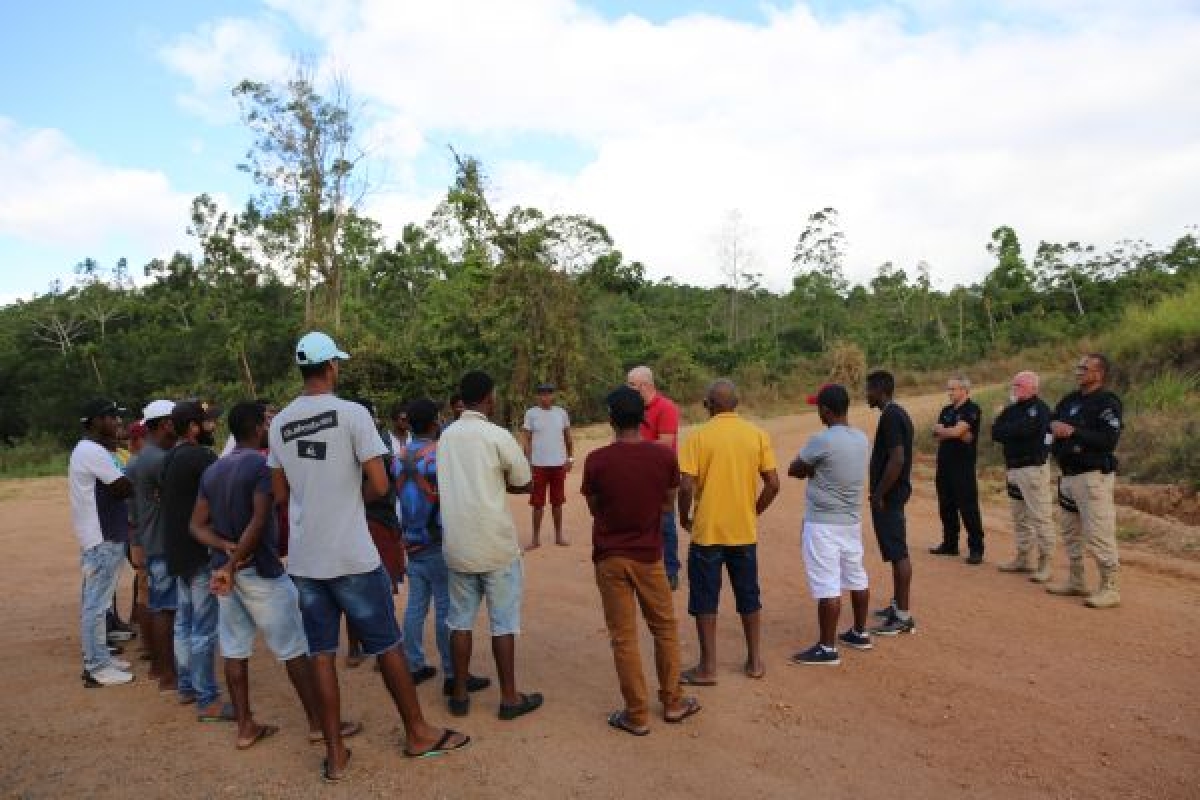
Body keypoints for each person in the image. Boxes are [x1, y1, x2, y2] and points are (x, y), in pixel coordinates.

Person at [269, 332, 468, 783]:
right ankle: (417, 733)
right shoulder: (352, 414)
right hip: (352, 555)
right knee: (387, 644)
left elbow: (280, 493)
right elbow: (379, 485)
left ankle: (336, 754)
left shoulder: (279, 422)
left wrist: (316, 497)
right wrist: (344, 497)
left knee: (321, 652)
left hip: (305, 560)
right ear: (332, 367)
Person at [190, 402, 354, 751]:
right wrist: (234, 561)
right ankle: (318, 725)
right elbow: (260, 519)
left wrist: (224, 554)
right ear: (257, 428)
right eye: (267, 421)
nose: (271, 425)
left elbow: (196, 525)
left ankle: (246, 726)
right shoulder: (262, 465)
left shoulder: (215, 470)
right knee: (296, 649)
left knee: (234, 650)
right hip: (257, 572)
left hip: (226, 575)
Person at [583, 386, 700, 734]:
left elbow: (594, 507)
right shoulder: (663, 457)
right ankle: (673, 702)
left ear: (611, 420)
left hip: (610, 556)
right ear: (643, 418)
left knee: (624, 637)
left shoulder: (597, 460)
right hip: (649, 556)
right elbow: (667, 503)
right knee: (664, 628)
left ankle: (636, 714)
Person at [438, 370, 542, 721]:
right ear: (488, 398)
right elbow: (524, 482)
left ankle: (461, 694)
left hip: (457, 544)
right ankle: (509, 698)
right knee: (503, 623)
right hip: (495, 544)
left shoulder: (446, 437)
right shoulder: (496, 435)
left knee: (460, 621)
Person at [677, 379, 780, 684]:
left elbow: (685, 485)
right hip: (743, 532)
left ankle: (708, 668)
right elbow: (773, 484)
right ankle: (755, 661)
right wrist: (753, 511)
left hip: (707, 531)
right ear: (736, 403)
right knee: (749, 594)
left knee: (705, 598)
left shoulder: (697, 437)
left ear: (709, 404)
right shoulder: (756, 435)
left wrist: (685, 517)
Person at [396, 398, 490, 695]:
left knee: (415, 606)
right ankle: (453, 674)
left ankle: (414, 665)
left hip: (411, 538)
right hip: (438, 538)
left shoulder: (397, 457)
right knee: (446, 609)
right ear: (436, 422)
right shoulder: (439, 454)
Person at [787, 384, 872, 666]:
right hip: (851, 521)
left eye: (818, 408)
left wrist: (812, 469)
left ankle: (827, 648)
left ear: (825, 410)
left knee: (828, 585)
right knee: (856, 576)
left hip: (823, 523)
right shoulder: (861, 439)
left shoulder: (821, 440)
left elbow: (794, 469)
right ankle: (860, 632)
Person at [161, 400, 228, 720]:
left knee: (184, 624)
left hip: (178, 552)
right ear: (192, 427)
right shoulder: (201, 458)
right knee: (203, 628)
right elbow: (223, 494)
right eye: (206, 422)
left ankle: (188, 686)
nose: (211, 427)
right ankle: (207, 698)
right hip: (199, 553)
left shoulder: (171, 457)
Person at [1046, 354, 1124, 609]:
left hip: (1092, 476)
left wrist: (1074, 432)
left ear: (1098, 374)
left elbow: (1108, 440)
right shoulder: (1070, 399)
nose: (1078, 371)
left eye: (1084, 368)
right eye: (1077, 366)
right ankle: (1076, 580)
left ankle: (1110, 587)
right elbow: (1052, 422)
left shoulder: (1107, 403)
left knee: (1098, 531)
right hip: (1067, 475)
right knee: (1070, 531)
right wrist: (1055, 427)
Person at [69, 399, 135, 687]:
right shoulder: (92, 451)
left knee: (98, 602)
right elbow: (123, 487)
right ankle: (95, 667)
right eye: (110, 417)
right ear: (95, 421)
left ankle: (101, 659)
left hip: (102, 535)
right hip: (102, 537)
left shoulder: (92, 450)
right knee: (96, 605)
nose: (117, 422)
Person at [344, 396, 406, 668]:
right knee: (380, 589)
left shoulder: (345, 446)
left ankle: (356, 648)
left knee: (354, 589)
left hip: (366, 522)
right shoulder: (375, 447)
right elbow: (382, 486)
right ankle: (383, 652)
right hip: (376, 521)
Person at [127, 400, 178, 690]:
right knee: (166, 608)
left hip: (151, 538)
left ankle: (161, 668)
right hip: (161, 541)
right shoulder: (157, 459)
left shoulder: (144, 457)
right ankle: (167, 672)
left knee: (158, 605)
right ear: (165, 424)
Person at [865, 370, 917, 636]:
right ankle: (897, 606)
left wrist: (880, 494)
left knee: (898, 553)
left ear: (880, 390)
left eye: (869, 389)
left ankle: (903, 617)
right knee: (896, 552)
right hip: (892, 494)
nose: (866, 394)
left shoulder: (891, 417)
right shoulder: (894, 413)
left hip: (891, 496)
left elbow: (897, 459)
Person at [991, 371, 1056, 581]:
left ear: (1033, 389)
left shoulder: (1040, 410)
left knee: (1040, 516)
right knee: (1019, 516)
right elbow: (996, 432)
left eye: (1019, 385)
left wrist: (1010, 430)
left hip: (1033, 469)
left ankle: (1046, 563)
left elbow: (1024, 431)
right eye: (1014, 384)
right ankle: (1023, 557)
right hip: (1013, 468)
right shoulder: (1011, 410)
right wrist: (1011, 430)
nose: (1015, 388)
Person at [626, 366, 683, 589]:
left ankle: (670, 571)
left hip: (661, 475)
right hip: (637, 473)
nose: (628, 388)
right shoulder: (633, 408)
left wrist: (633, 447)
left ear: (645, 385)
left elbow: (666, 442)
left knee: (665, 522)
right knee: (637, 521)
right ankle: (642, 567)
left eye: (631, 384)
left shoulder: (666, 407)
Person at [930, 375, 986, 564]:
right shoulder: (946, 410)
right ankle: (950, 543)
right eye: (949, 389)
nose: (950, 392)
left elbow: (956, 433)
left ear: (964, 390)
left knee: (968, 507)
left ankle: (976, 548)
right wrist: (954, 431)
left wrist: (949, 430)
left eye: (953, 389)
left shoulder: (972, 409)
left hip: (963, 467)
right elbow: (938, 435)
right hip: (944, 465)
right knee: (946, 505)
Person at [521, 382, 574, 548]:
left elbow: (568, 438)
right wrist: (528, 462)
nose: (546, 397)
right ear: (537, 396)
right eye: (542, 394)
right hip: (538, 465)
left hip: (558, 464)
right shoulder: (531, 414)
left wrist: (570, 459)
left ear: (553, 395)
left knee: (557, 502)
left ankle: (559, 536)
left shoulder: (561, 413)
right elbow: (527, 440)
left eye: (549, 393)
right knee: (537, 503)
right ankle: (535, 538)